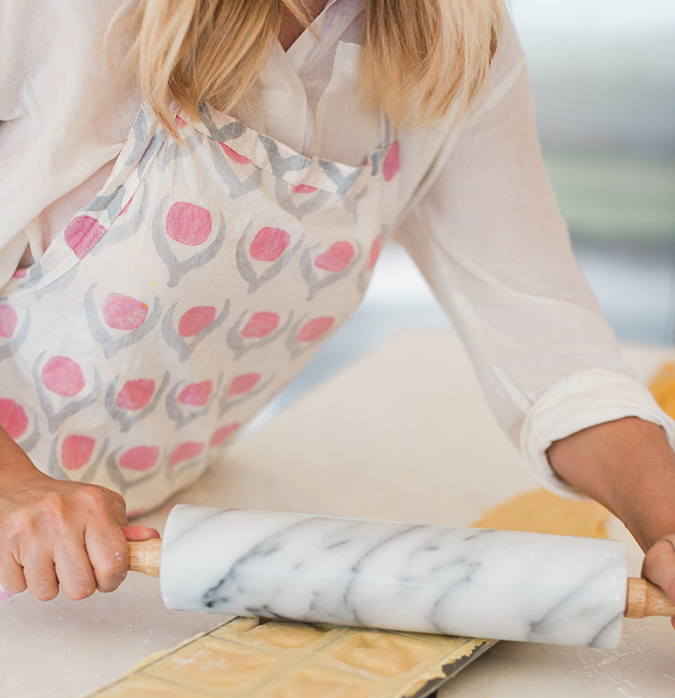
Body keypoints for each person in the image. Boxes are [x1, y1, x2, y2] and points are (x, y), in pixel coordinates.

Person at [1, 0, 675, 618]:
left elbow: (548, 344)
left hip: (135, 566)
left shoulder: (455, 39)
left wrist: (664, 524)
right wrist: (15, 487)